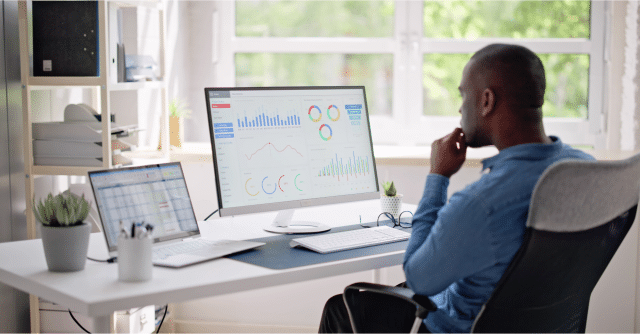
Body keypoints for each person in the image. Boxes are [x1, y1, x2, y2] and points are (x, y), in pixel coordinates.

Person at [318, 43, 595, 333]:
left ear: (487, 101)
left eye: (464, 95)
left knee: (341, 309)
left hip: (457, 326)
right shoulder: (584, 168)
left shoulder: (482, 203)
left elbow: (418, 278)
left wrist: (438, 176)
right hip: (544, 325)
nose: (461, 108)